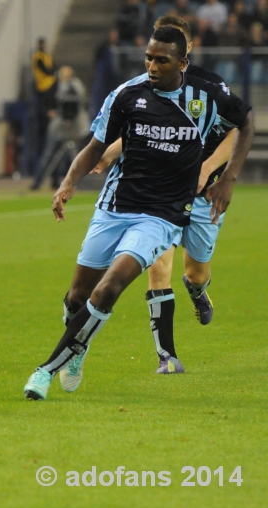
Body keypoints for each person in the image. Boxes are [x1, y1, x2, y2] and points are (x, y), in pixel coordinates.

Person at [23, 26, 254, 401]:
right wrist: (68, 183)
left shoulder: (207, 93)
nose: (152, 65)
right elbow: (97, 145)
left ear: (183, 62)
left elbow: (246, 123)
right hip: (115, 206)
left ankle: (45, 371)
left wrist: (227, 177)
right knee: (77, 297)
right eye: (148, 57)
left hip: (161, 215)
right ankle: (77, 351)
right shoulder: (127, 95)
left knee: (111, 286)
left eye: (161, 60)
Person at [91, 15, 245, 374]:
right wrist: (109, 153)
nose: (156, 61)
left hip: (204, 192)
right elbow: (135, 130)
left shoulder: (210, 87)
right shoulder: (145, 87)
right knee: (158, 265)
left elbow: (238, 130)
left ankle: (197, 289)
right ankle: (167, 356)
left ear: (187, 50)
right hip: (160, 194)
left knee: (195, 270)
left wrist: (208, 169)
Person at [30, 66, 88, 191]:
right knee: (49, 153)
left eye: (67, 72)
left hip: (74, 125)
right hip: (58, 125)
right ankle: (37, 182)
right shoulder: (54, 85)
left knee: (73, 155)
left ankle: (75, 182)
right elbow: (46, 101)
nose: (65, 74)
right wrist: (50, 111)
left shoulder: (75, 86)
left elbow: (79, 102)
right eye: (63, 72)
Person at [32, 38, 56, 165]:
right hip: (42, 90)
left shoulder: (47, 56)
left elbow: (52, 69)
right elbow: (47, 70)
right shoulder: (38, 56)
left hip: (49, 89)